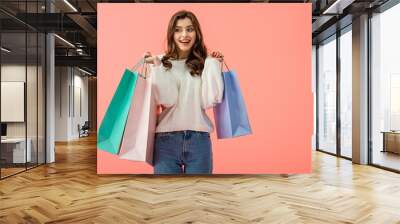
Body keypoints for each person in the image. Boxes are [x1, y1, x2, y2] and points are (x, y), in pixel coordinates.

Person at [144, 10, 224, 174]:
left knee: (199, 196)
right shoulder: (160, 61)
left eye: (190, 29)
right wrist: (156, 68)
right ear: (171, 34)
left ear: (197, 33)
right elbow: (167, 99)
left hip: (199, 141)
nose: (184, 35)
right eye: (178, 29)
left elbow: (210, 100)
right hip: (165, 141)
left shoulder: (206, 63)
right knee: (167, 198)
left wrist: (214, 66)